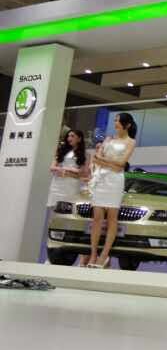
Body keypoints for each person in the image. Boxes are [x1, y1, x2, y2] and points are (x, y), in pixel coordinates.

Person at [87, 114, 137, 269]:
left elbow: (121, 164)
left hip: (115, 181)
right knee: (97, 218)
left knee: (111, 218)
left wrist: (104, 161)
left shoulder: (131, 141)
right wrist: (109, 163)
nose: (115, 122)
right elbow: (96, 157)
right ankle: (93, 254)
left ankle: (104, 255)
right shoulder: (108, 139)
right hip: (101, 178)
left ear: (127, 124)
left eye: (118, 120)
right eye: (115, 120)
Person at [46, 130, 90, 265]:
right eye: (68, 136)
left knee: (69, 217)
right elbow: (52, 167)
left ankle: (65, 252)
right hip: (57, 186)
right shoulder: (61, 151)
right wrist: (69, 171)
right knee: (53, 219)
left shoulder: (85, 154)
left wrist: (66, 171)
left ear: (79, 138)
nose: (69, 138)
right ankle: (51, 253)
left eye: (72, 136)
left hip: (72, 188)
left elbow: (83, 173)